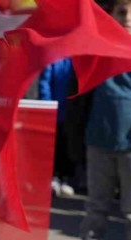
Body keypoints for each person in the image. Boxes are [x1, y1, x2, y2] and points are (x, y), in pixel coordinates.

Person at [64, 0, 131, 240]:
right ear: (110, 16)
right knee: (97, 201)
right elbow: (78, 96)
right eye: (121, 12)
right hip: (99, 139)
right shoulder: (97, 50)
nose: (127, 18)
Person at [38, 58, 77, 197]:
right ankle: (53, 177)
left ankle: (67, 178)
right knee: (54, 145)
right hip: (56, 110)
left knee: (70, 145)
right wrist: (47, 108)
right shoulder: (55, 58)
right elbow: (45, 83)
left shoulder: (78, 58)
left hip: (73, 113)